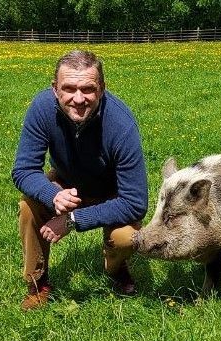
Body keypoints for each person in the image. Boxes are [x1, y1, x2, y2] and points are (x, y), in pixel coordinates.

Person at [11, 50, 147, 310]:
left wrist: (72, 221)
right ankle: (38, 283)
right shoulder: (41, 109)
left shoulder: (121, 124)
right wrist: (51, 195)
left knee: (126, 237)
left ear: (102, 88)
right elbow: (24, 169)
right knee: (29, 207)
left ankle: (115, 268)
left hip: (112, 194)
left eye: (88, 89)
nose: (78, 98)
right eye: (69, 88)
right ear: (55, 89)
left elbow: (135, 203)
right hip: (65, 183)